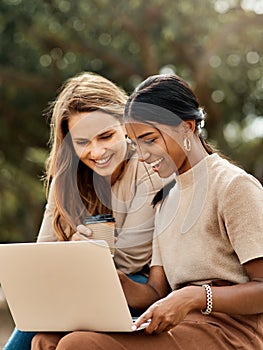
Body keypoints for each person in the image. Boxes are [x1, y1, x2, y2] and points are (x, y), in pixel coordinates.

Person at [32, 73, 263, 350]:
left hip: (230, 331)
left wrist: (194, 297)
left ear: (187, 128)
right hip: (180, 323)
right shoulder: (166, 199)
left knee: (78, 344)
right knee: (44, 340)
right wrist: (106, 273)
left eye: (149, 139)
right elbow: (155, 292)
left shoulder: (233, 185)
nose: (141, 154)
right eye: (135, 142)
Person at [3, 72, 166, 350]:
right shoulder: (65, 179)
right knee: (38, 329)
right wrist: (76, 254)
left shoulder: (147, 170)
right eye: (82, 142)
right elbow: (43, 253)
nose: (97, 151)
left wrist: (81, 256)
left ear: (125, 126)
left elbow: (132, 259)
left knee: (44, 327)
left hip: (135, 287)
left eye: (106, 136)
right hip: (75, 288)